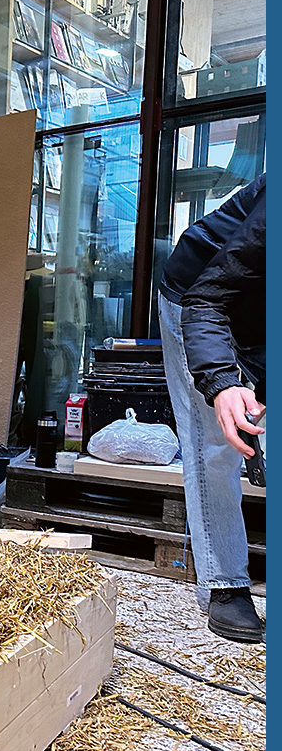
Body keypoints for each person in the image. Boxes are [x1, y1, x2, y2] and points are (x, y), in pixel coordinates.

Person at [159, 173, 265, 643]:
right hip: (198, 297)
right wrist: (223, 383)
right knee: (215, 443)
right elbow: (208, 301)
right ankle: (226, 585)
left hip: (258, 314)